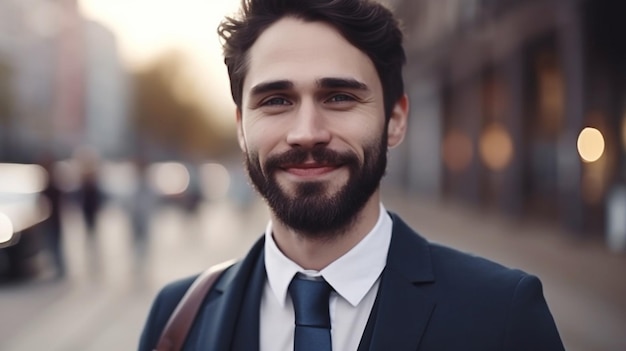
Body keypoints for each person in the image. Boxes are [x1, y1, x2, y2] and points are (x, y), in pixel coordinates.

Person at [139, 0, 566, 350]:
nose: (306, 133)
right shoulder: (176, 318)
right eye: (276, 100)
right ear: (240, 126)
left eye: (339, 96)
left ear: (395, 120)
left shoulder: (502, 315)